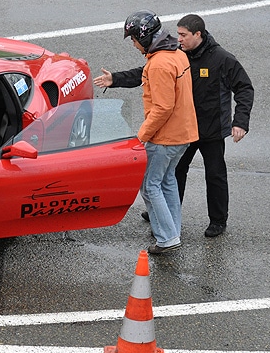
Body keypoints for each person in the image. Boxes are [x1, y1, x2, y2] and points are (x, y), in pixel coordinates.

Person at [94, 14, 254, 237]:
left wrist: (240, 122)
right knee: (174, 172)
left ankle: (218, 220)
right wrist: (116, 79)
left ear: (198, 35)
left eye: (183, 35)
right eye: (178, 34)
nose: (178, 39)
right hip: (186, 126)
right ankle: (164, 216)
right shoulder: (179, 54)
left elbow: (245, 88)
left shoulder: (222, 58)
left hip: (212, 129)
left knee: (215, 175)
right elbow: (147, 73)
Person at [116, 10, 198, 254]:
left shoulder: (159, 64)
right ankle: (173, 230)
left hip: (164, 137)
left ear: (144, 37)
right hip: (184, 133)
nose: (133, 44)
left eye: (133, 39)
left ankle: (167, 238)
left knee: (150, 185)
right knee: (167, 180)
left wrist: (141, 137)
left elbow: (162, 108)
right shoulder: (177, 53)